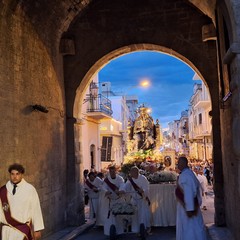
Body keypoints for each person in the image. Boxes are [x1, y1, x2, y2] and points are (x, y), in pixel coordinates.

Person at [0, 163, 44, 240]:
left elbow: (35, 209)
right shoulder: (3, 190)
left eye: (17, 174)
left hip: (22, 231)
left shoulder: (29, 189)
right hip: (7, 231)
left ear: (22, 175)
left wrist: (37, 229)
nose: (14, 177)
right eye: (12, 174)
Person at [175, 157, 207, 240]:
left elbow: (189, 193)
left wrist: (189, 209)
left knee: (190, 228)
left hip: (188, 208)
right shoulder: (188, 173)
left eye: (178, 163)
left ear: (183, 164)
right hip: (189, 206)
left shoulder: (186, 176)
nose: (177, 164)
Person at [122, 166, 151, 234]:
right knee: (135, 216)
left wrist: (142, 190)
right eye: (131, 172)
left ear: (136, 172)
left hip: (142, 200)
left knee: (143, 215)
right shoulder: (130, 180)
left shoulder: (143, 178)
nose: (131, 174)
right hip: (134, 200)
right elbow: (126, 186)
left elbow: (147, 188)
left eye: (132, 172)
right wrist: (123, 190)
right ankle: (135, 229)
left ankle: (144, 229)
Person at [101, 165, 125, 236]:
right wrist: (106, 191)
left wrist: (120, 191)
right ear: (109, 172)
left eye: (113, 171)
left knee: (119, 216)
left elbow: (122, 185)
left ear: (116, 171)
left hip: (118, 199)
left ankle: (119, 231)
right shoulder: (106, 180)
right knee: (110, 217)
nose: (112, 173)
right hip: (110, 200)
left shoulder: (120, 178)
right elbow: (103, 187)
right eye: (110, 171)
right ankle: (109, 232)